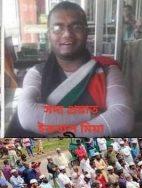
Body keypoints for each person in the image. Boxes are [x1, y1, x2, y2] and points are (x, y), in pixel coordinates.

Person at [14, 1, 134, 137]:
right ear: (49, 35)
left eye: (76, 27)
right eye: (58, 28)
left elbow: (123, 117)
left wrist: (63, 136)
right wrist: (92, 114)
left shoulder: (108, 70)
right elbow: (27, 116)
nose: (67, 34)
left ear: (86, 32)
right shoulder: (37, 73)